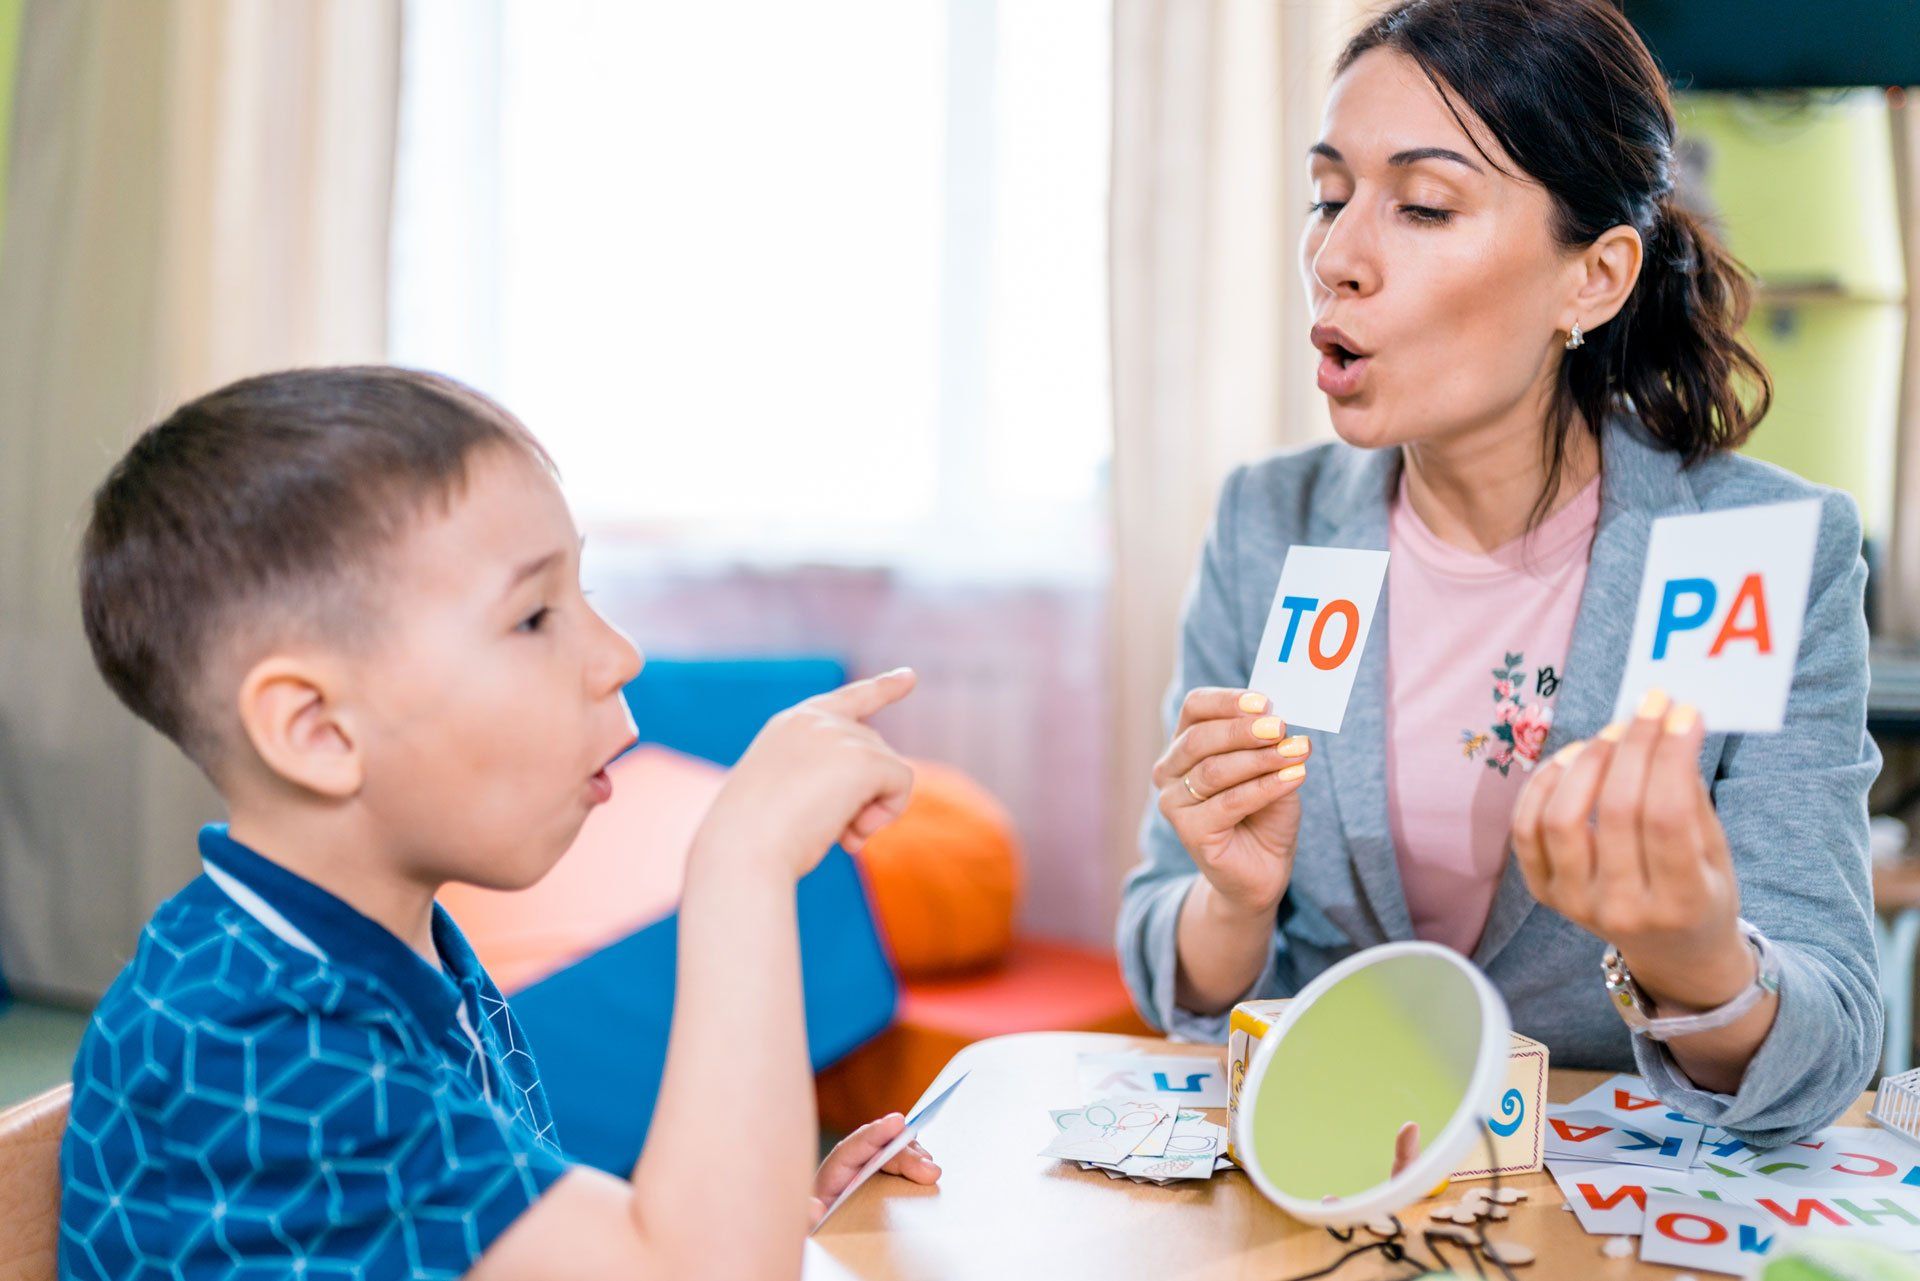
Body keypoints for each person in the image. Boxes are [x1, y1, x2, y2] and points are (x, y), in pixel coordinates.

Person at [1116, 0, 1881, 1148]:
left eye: (1422, 206)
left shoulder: (1760, 547)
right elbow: (1165, 955)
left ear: (1595, 278)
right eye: (1329, 198)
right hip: (1331, 1171)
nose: (1336, 257)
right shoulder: (1271, 527)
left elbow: (1836, 1032)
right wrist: (1232, 901)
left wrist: (1697, 962)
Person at [60, 366, 938, 1280]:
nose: (620, 655)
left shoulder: (388, 945)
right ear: (318, 729)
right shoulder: (248, 1040)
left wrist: (750, 1205)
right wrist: (741, 860)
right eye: (532, 616)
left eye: (583, 594)